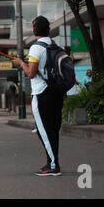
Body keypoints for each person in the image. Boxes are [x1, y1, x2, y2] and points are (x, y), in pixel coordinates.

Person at [12, 16, 64, 177]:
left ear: (35, 30)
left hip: (42, 93)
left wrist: (21, 64)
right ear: (48, 29)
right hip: (56, 92)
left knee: (44, 131)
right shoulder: (54, 45)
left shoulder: (36, 48)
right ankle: (51, 162)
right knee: (52, 130)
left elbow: (30, 73)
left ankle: (53, 165)